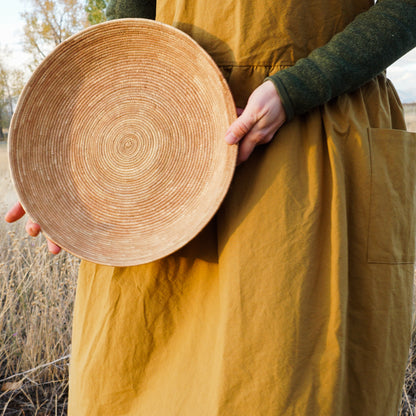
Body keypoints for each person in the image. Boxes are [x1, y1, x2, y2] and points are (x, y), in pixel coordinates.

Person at [5, 0, 416, 414]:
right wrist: (84, 143)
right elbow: (131, 9)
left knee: (282, 384)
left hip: (316, 135)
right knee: (125, 383)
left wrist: (302, 85)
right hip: (170, 136)